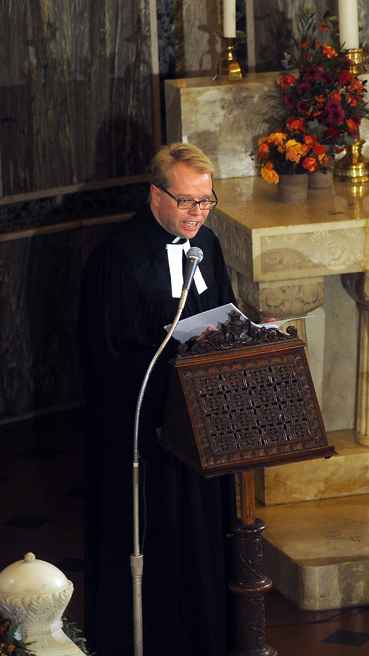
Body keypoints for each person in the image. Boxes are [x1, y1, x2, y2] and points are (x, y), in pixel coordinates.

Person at [80, 143, 236, 655]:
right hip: (146, 436)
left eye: (206, 201)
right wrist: (176, 361)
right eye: (186, 201)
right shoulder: (118, 257)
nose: (197, 213)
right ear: (155, 195)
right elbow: (110, 355)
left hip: (202, 427)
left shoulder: (207, 244)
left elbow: (225, 312)